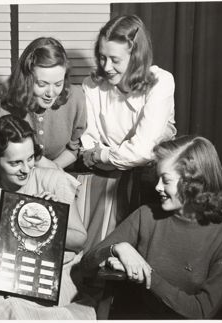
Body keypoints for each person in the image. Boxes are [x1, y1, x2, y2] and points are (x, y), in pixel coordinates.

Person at [80, 135, 222, 319]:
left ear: (194, 184)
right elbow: (86, 264)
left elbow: (201, 311)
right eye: (158, 178)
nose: (157, 187)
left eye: (166, 180)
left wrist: (147, 274)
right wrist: (118, 248)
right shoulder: (146, 215)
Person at [0, 115, 96, 319]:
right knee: (1, 308)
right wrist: (13, 225)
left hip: (57, 281)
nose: (26, 169)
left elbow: (79, 241)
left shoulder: (53, 181)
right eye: (15, 163)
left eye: (30, 158)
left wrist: (48, 219)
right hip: (10, 284)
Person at [77, 14, 177, 251]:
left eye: (115, 59)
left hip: (150, 175)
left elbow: (142, 152)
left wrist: (103, 155)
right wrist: (109, 156)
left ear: (137, 58)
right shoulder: (90, 85)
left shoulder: (161, 81)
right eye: (102, 57)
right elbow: (88, 145)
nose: (106, 67)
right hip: (107, 175)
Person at [1, 37, 87, 170]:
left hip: (64, 172)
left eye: (58, 84)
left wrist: (54, 169)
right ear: (26, 79)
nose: (51, 93)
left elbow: (75, 146)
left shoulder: (76, 98)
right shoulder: (7, 106)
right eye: (42, 84)